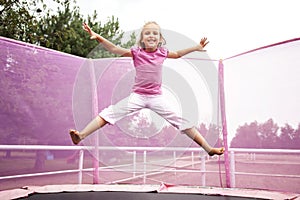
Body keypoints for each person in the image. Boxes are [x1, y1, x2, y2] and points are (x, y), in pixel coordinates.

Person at [69, 21, 224, 156]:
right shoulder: (137, 53)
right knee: (110, 113)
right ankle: (81, 135)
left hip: (156, 98)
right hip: (138, 96)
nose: (151, 35)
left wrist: (196, 47)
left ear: (160, 39)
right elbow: (115, 49)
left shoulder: (162, 53)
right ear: (142, 39)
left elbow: (177, 54)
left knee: (182, 121)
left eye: (155, 33)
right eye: (148, 33)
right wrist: (98, 36)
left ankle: (209, 149)